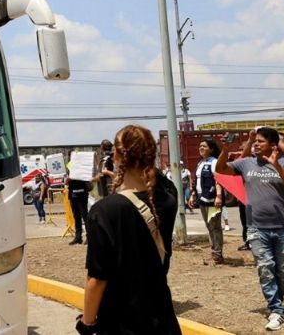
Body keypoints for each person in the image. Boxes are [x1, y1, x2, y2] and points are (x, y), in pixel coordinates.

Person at [77, 124, 181, 335]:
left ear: (115, 155)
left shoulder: (104, 211)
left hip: (121, 323)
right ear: (151, 154)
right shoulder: (167, 200)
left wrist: (87, 323)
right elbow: (161, 183)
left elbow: (96, 280)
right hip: (163, 319)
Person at [215, 127, 284, 332]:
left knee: (282, 272)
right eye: (255, 141)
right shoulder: (246, 163)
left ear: (273, 145)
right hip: (256, 227)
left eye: (260, 141)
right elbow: (221, 170)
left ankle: (277, 304)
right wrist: (225, 150)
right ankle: (277, 310)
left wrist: (277, 167)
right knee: (265, 267)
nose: (255, 144)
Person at [189, 139, 225, 264]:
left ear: (212, 149)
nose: (201, 148)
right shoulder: (200, 163)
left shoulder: (214, 162)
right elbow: (196, 181)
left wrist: (219, 196)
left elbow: (218, 179)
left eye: (204, 146)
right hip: (202, 198)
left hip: (212, 199)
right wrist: (193, 195)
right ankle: (214, 249)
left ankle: (218, 253)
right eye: (200, 146)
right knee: (209, 226)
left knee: (215, 226)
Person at [67, 163, 91, 246]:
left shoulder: (82, 167)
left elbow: (87, 178)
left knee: (85, 216)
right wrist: (69, 179)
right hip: (73, 195)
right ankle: (78, 237)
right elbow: (67, 182)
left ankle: (89, 237)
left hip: (82, 194)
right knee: (76, 217)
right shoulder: (69, 167)